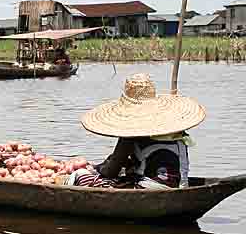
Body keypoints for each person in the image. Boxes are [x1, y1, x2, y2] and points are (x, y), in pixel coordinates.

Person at [67, 73, 205, 189]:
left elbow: (112, 169)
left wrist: (95, 170)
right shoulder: (175, 132)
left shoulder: (130, 135)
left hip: (150, 188)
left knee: (80, 175)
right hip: (180, 185)